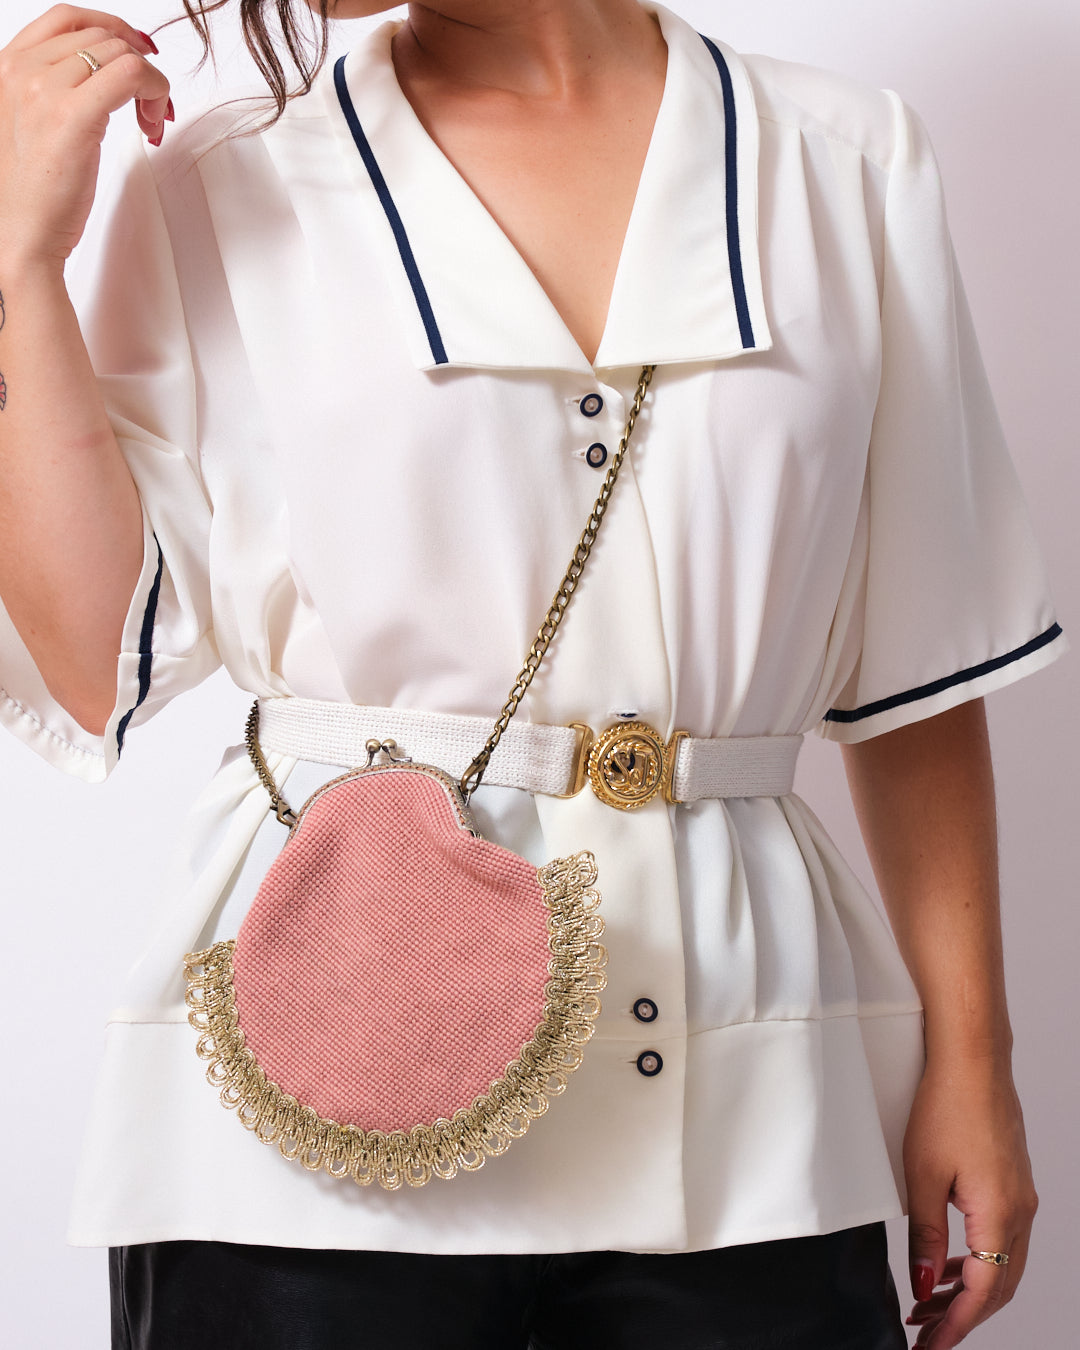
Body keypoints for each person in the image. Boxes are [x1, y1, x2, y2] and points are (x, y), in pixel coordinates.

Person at [0, 2, 1066, 1347]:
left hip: (752, 1100)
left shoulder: (842, 158)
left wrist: (975, 1059)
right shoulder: (228, 178)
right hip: (313, 1096)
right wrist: (16, 262)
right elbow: (89, 656)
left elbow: (915, 667)